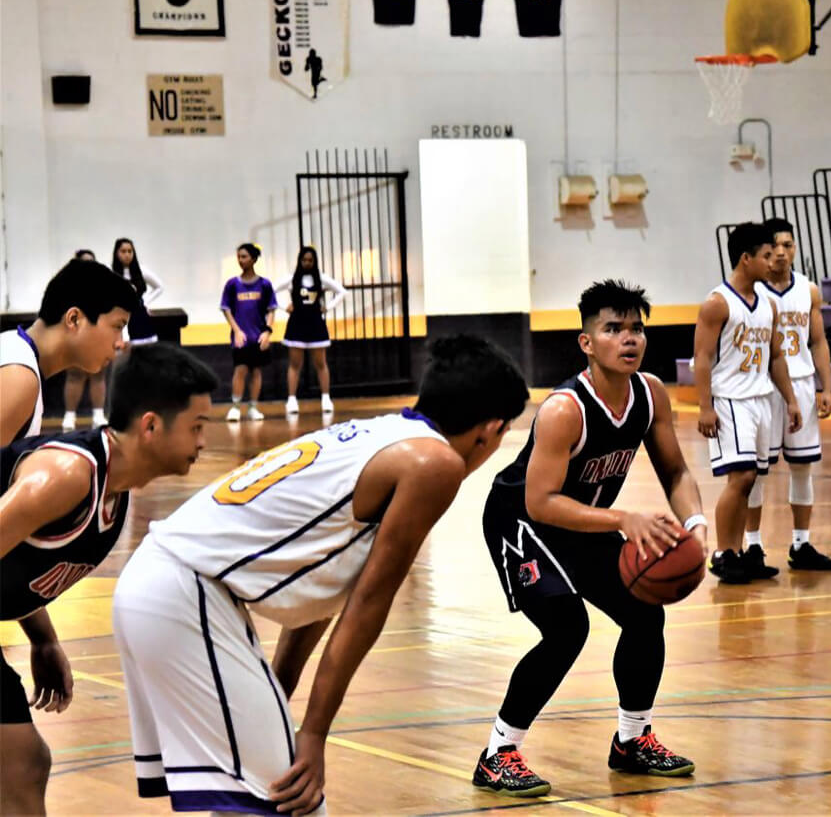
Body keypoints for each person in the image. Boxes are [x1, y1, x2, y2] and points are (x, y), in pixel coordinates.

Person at [112, 336, 528, 815]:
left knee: (248, 800)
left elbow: (324, 589)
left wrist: (279, 694)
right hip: (184, 595)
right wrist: (312, 732)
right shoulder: (435, 464)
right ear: (490, 430)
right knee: (293, 802)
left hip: (166, 588)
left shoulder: (383, 434)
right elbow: (369, 601)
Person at [474, 281, 706, 797]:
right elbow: (540, 503)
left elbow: (675, 471)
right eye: (613, 329)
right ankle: (497, 753)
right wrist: (624, 519)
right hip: (522, 521)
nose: (630, 340)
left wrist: (696, 527)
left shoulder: (650, 393)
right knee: (565, 628)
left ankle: (632, 740)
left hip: (584, 518)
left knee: (646, 614)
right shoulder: (564, 409)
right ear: (586, 342)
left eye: (637, 329)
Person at [1, 344, 215, 815]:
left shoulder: (113, 493)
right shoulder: (66, 474)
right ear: (152, 426)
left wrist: (42, 640)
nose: (204, 443)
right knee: (22, 764)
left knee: (24, 763)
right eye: (197, 427)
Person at [694, 222, 801, 585]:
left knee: (751, 479)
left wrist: (791, 400)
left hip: (760, 400)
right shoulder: (717, 303)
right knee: (739, 477)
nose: (774, 262)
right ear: (746, 258)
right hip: (730, 400)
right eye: (767, 256)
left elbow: (776, 358)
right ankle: (723, 554)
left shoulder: (768, 304)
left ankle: (738, 552)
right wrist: (704, 406)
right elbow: (703, 357)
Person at [747, 218, 831, 571]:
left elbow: (818, 341)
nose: (782, 253)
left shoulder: (809, 290)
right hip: (763, 386)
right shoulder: (752, 293)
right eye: (775, 247)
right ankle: (752, 546)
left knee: (802, 467)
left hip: (800, 382)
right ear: (764, 253)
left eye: (788, 245)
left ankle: (801, 544)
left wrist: (826, 387)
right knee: (756, 471)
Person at [1, 258, 136, 446]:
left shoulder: (17, 354)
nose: (120, 342)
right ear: (74, 319)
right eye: (117, 326)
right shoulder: (19, 375)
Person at [63, 239, 164, 430]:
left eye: (92, 262)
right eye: (85, 262)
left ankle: (99, 414)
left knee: (99, 373)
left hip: (98, 336)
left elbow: (112, 316)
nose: (89, 266)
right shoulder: (68, 287)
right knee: (76, 374)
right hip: (76, 336)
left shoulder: (102, 284)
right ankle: (69, 416)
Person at [274, 246, 346, 416]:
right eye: (304, 260)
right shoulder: (292, 279)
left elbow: (342, 291)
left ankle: (326, 398)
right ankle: (292, 399)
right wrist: (284, 307)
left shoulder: (321, 279)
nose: (307, 263)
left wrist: (327, 307)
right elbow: (270, 290)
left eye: (310, 260)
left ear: (314, 262)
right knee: (295, 364)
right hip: (296, 324)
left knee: (321, 363)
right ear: (300, 261)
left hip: (315, 324)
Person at [221, 243, 277, 422]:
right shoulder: (232, 284)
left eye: (244, 256)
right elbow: (226, 309)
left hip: (258, 336)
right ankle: (236, 407)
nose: (240, 260)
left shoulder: (264, 284)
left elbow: (271, 309)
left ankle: (253, 406)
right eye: (238, 256)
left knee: (256, 371)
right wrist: (236, 331)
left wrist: (267, 332)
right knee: (240, 369)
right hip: (241, 338)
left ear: (253, 259)